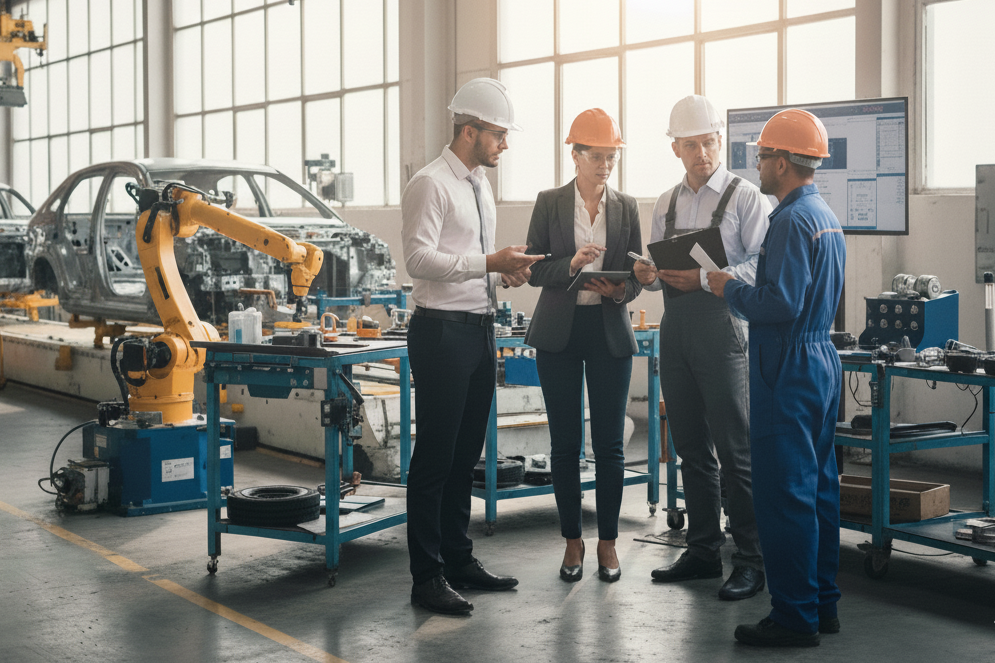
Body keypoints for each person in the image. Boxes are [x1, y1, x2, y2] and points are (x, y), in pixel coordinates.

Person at [400, 78, 544, 616]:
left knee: (464, 456)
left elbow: (472, 258)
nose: (503, 145)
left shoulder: (478, 185)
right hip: (441, 332)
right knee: (435, 458)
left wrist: (502, 275)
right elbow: (418, 260)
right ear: (469, 130)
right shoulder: (430, 184)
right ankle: (426, 576)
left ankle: (458, 559)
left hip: (479, 329)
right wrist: (489, 263)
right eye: (498, 135)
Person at [705, 108, 846, 647]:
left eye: (761, 156)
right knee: (819, 492)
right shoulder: (825, 216)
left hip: (786, 366)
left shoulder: (787, 220)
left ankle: (793, 616)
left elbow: (779, 302)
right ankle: (822, 604)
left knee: (784, 496)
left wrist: (728, 289)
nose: (757, 165)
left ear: (782, 162)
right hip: (821, 364)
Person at [633, 95, 769, 600]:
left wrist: (710, 277)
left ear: (720, 140)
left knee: (736, 449)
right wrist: (645, 274)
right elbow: (652, 274)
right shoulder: (666, 203)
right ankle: (703, 549)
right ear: (676, 149)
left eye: (709, 142)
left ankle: (751, 559)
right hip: (677, 328)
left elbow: (763, 265)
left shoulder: (745, 196)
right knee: (689, 445)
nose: (702, 153)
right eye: (690, 145)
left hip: (724, 325)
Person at [524, 108, 643, 584]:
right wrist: (571, 264)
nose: (605, 165)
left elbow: (635, 273)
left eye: (611, 157)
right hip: (559, 332)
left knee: (610, 445)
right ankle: (573, 541)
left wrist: (625, 290)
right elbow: (534, 268)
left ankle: (608, 544)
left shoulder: (626, 206)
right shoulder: (549, 202)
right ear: (575, 155)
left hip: (608, 328)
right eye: (597, 156)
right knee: (565, 445)